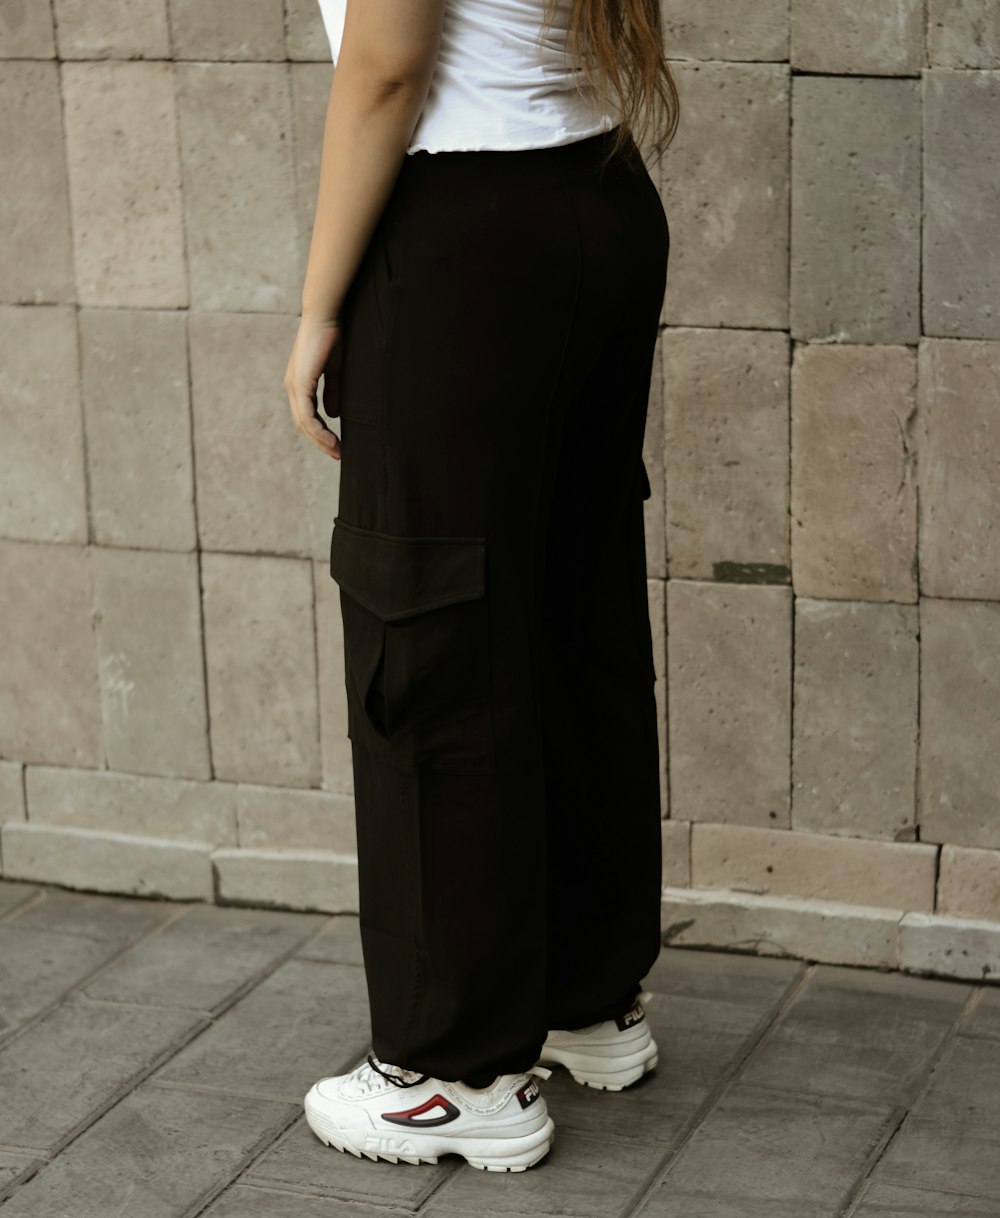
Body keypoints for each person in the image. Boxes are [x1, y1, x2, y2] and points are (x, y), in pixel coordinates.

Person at [283, 0, 678, 1174]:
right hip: (596, 199)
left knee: (434, 637)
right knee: (567, 610)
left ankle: (453, 1072)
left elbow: (385, 72)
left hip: (467, 238)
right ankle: (585, 998)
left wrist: (317, 311)